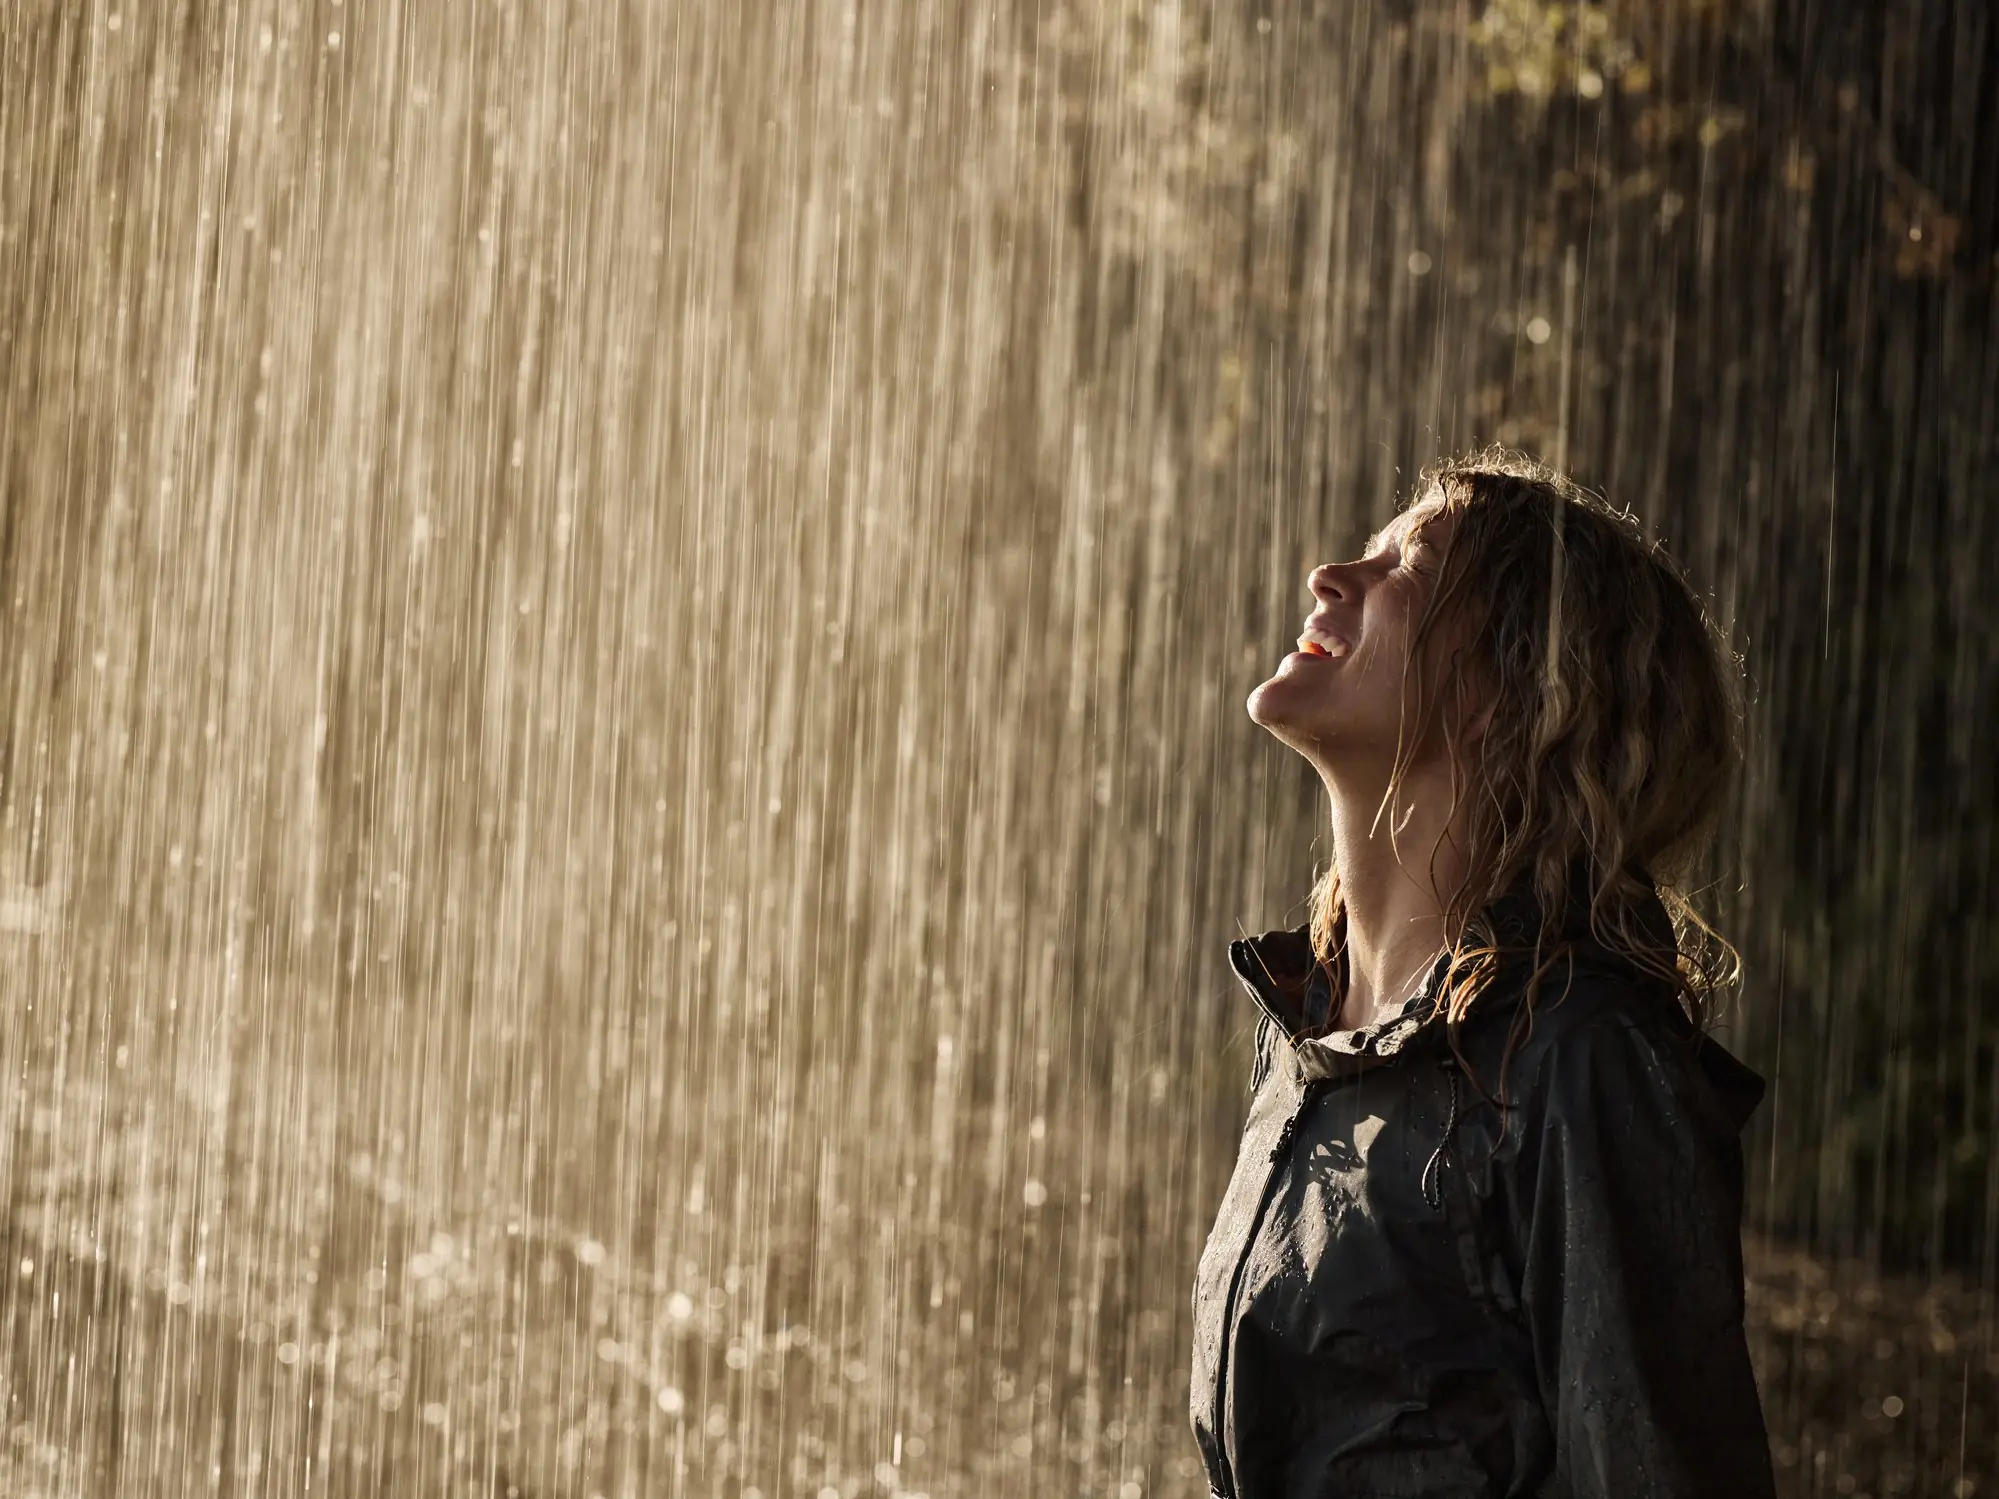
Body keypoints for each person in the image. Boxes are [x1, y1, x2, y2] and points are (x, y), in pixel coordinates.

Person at [1189, 451, 1777, 1498]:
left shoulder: (1580, 1061)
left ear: (1515, 687)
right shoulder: (1310, 1031)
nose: (1329, 576)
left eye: (1406, 568)